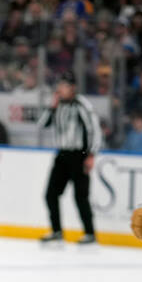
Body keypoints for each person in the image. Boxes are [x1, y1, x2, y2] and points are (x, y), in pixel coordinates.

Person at [36, 71, 102, 245]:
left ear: (72, 88)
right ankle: (56, 231)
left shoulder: (82, 105)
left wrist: (91, 155)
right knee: (50, 194)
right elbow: (41, 124)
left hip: (79, 154)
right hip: (62, 153)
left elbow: (93, 130)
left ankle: (90, 233)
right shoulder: (58, 106)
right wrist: (52, 106)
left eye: (64, 86)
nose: (60, 89)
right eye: (59, 85)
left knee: (80, 196)